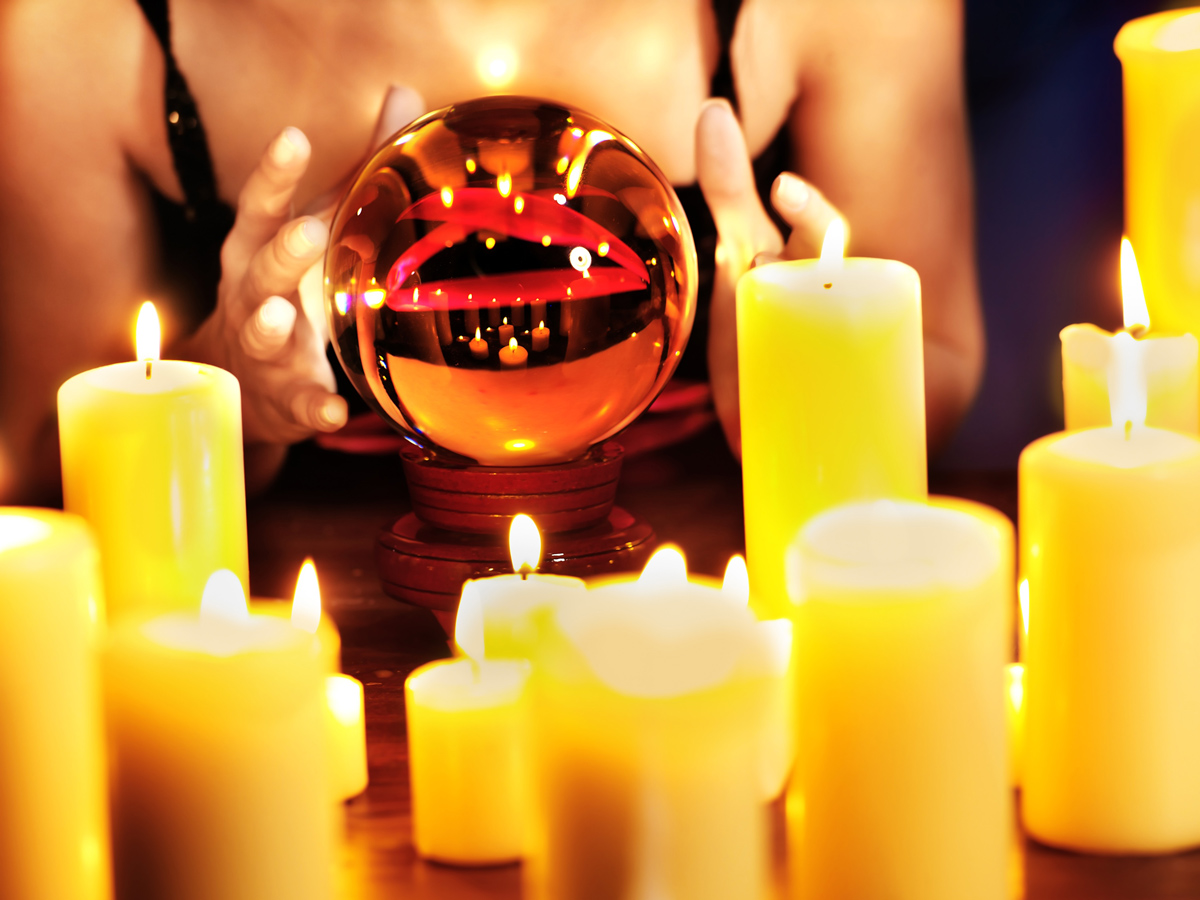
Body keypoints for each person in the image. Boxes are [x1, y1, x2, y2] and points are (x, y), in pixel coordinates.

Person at [0, 0, 980, 503]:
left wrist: (817, 385)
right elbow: (37, 463)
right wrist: (215, 403)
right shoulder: (78, 33)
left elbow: (943, 366)